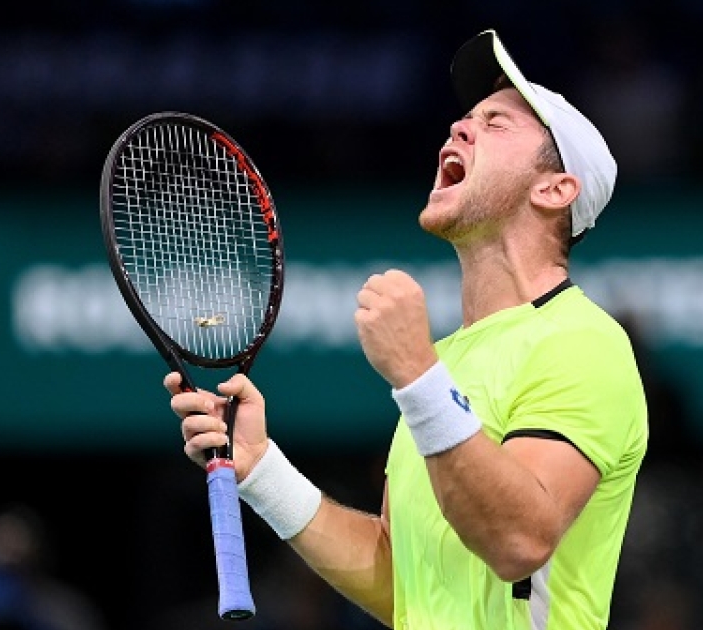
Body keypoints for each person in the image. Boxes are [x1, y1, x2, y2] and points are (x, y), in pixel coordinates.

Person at [168, 29, 648, 629]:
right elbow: (405, 585)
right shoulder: (444, 365)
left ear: (554, 189)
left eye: (496, 123)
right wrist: (262, 470)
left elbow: (519, 541)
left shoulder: (582, 342)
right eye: (466, 118)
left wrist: (418, 376)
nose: (460, 127)